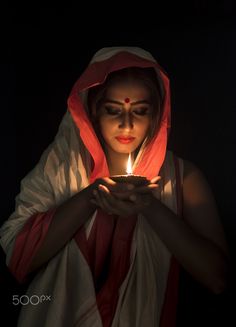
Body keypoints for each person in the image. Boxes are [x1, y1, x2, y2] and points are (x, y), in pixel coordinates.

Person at [0, 47, 229, 327]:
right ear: (93, 111)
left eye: (140, 111)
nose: (126, 124)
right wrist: (90, 198)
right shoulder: (62, 166)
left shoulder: (183, 179)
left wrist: (150, 206)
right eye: (113, 110)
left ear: (157, 115)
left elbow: (218, 279)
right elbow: (18, 257)